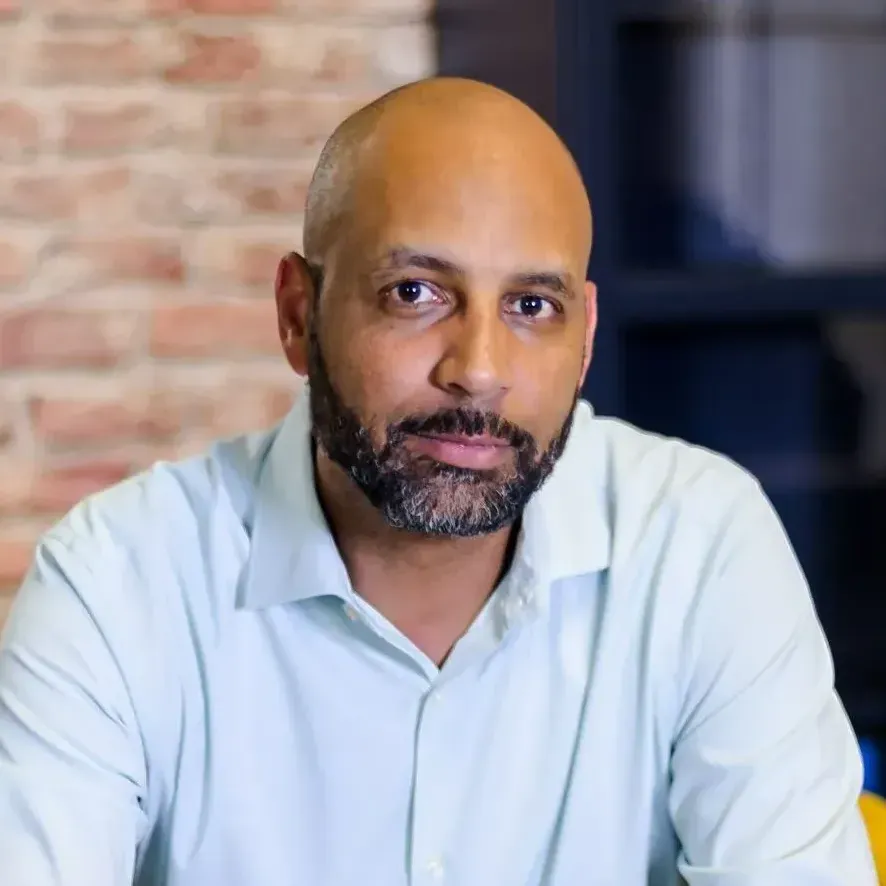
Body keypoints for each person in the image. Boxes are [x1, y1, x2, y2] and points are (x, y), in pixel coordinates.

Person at [0, 77, 876, 886]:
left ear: (585, 338)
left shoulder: (699, 546)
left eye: (532, 307)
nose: (479, 370)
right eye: (415, 293)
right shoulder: (118, 582)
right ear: (299, 316)